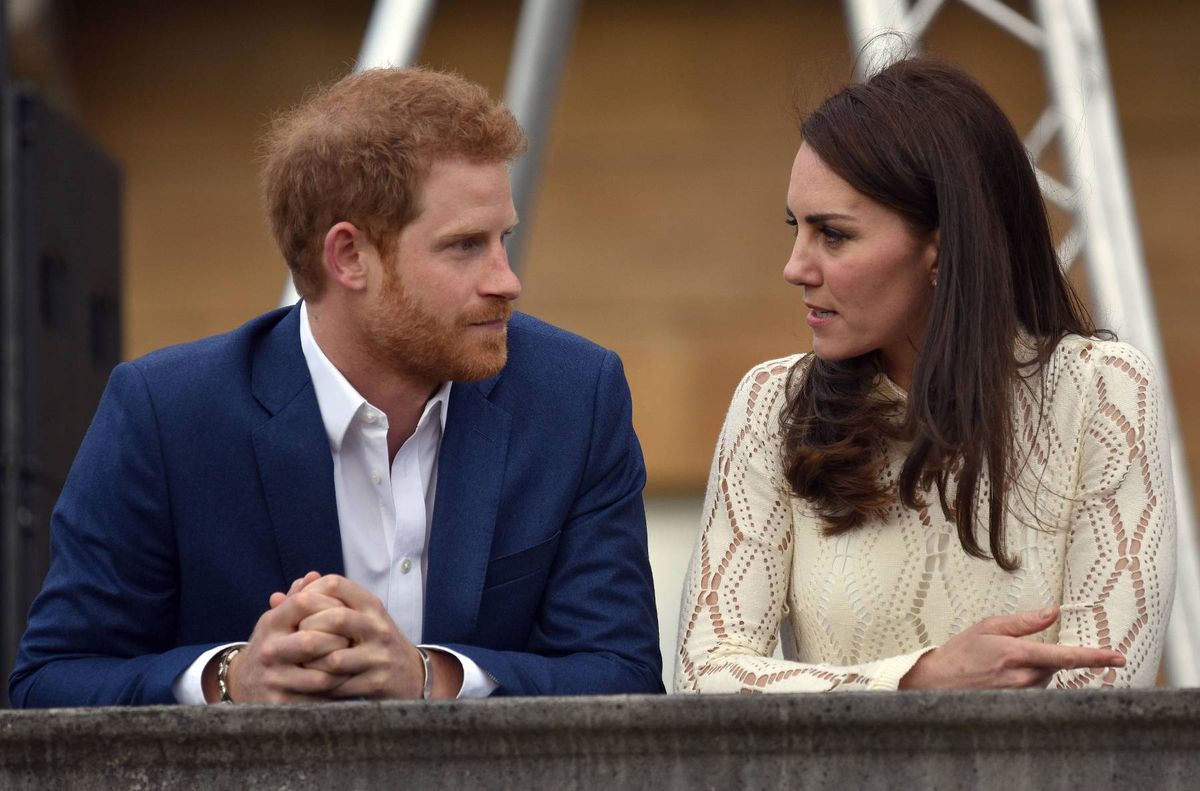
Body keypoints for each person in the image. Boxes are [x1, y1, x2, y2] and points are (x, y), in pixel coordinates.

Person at [10, 67, 663, 706]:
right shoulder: (166, 413)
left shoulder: (576, 398)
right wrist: (230, 679)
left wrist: (429, 676)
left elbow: (626, 672)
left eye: (504, 239)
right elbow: (50, 679)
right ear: (349, 256)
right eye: (465, 246)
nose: (506, 279)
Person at [676, 56, 1175, 693]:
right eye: (794, 227)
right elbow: (702, 675)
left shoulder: (1103, 390)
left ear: (940, 246)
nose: (795, 267)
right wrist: (916, 683)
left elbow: (1105, 694)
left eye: (832, 234)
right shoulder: (775, 402)